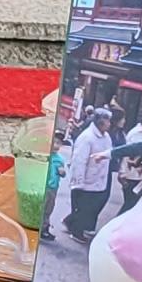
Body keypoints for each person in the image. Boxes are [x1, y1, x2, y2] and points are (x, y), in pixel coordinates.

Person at [59, 101, 114, 241]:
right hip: (87, 179)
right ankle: (76, 231)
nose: (110, 124)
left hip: (99, 178)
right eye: (108, 121)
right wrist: (78, 182)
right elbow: (79, 161)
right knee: (84, 208)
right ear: (101, 122)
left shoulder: (106, 137)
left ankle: (70, 222)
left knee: (91, 206)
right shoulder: (87, 137)